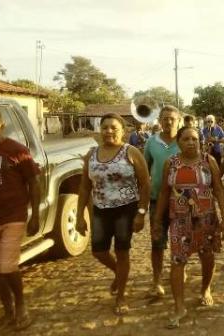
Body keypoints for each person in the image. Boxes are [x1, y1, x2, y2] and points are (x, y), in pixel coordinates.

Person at [153, 127, 224, 328]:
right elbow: (163, 193)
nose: (191, 142)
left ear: (200, 141)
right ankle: (179, 306)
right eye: (186, 139)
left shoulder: (208, 161)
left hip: (206, 220)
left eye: (194, 139)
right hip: (179, 221)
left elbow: (219, 191)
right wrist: (157, 221)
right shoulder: (171, 163)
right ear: (178, 142)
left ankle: (205, 289)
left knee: (207, 256)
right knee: (178, 262)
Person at [76, 113, 151, 315]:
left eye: (114, 128)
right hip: (100, 209)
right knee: (98, 251)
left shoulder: (132, 152)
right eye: (105, 127)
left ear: (123, 131)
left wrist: (141, 213)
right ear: (100, 130)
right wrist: (79, 217)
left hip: (126, 210)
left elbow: (145, 184)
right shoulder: (91, 154)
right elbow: (84, 187)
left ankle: (121, 296)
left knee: (122, 251)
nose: (109, 131)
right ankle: (120, 274)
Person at [0, 106, 40, 332]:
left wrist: (35, 214)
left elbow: (34, 184)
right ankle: (8, 311)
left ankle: (21, 306)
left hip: (13, 217)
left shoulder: (17, 150)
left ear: (1, 125)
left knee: (8, 267)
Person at [143, 105, 181, 298]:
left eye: (172, 118)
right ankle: (156, 281)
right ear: (159, 120)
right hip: (157, 199)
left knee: (181, 240)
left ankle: (178, 272)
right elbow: (144, 170)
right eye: (164, 118)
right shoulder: (151, 142)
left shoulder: (185, 141)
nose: (168, 122)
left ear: (179, 120)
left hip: (182, 201)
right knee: (157, 241)